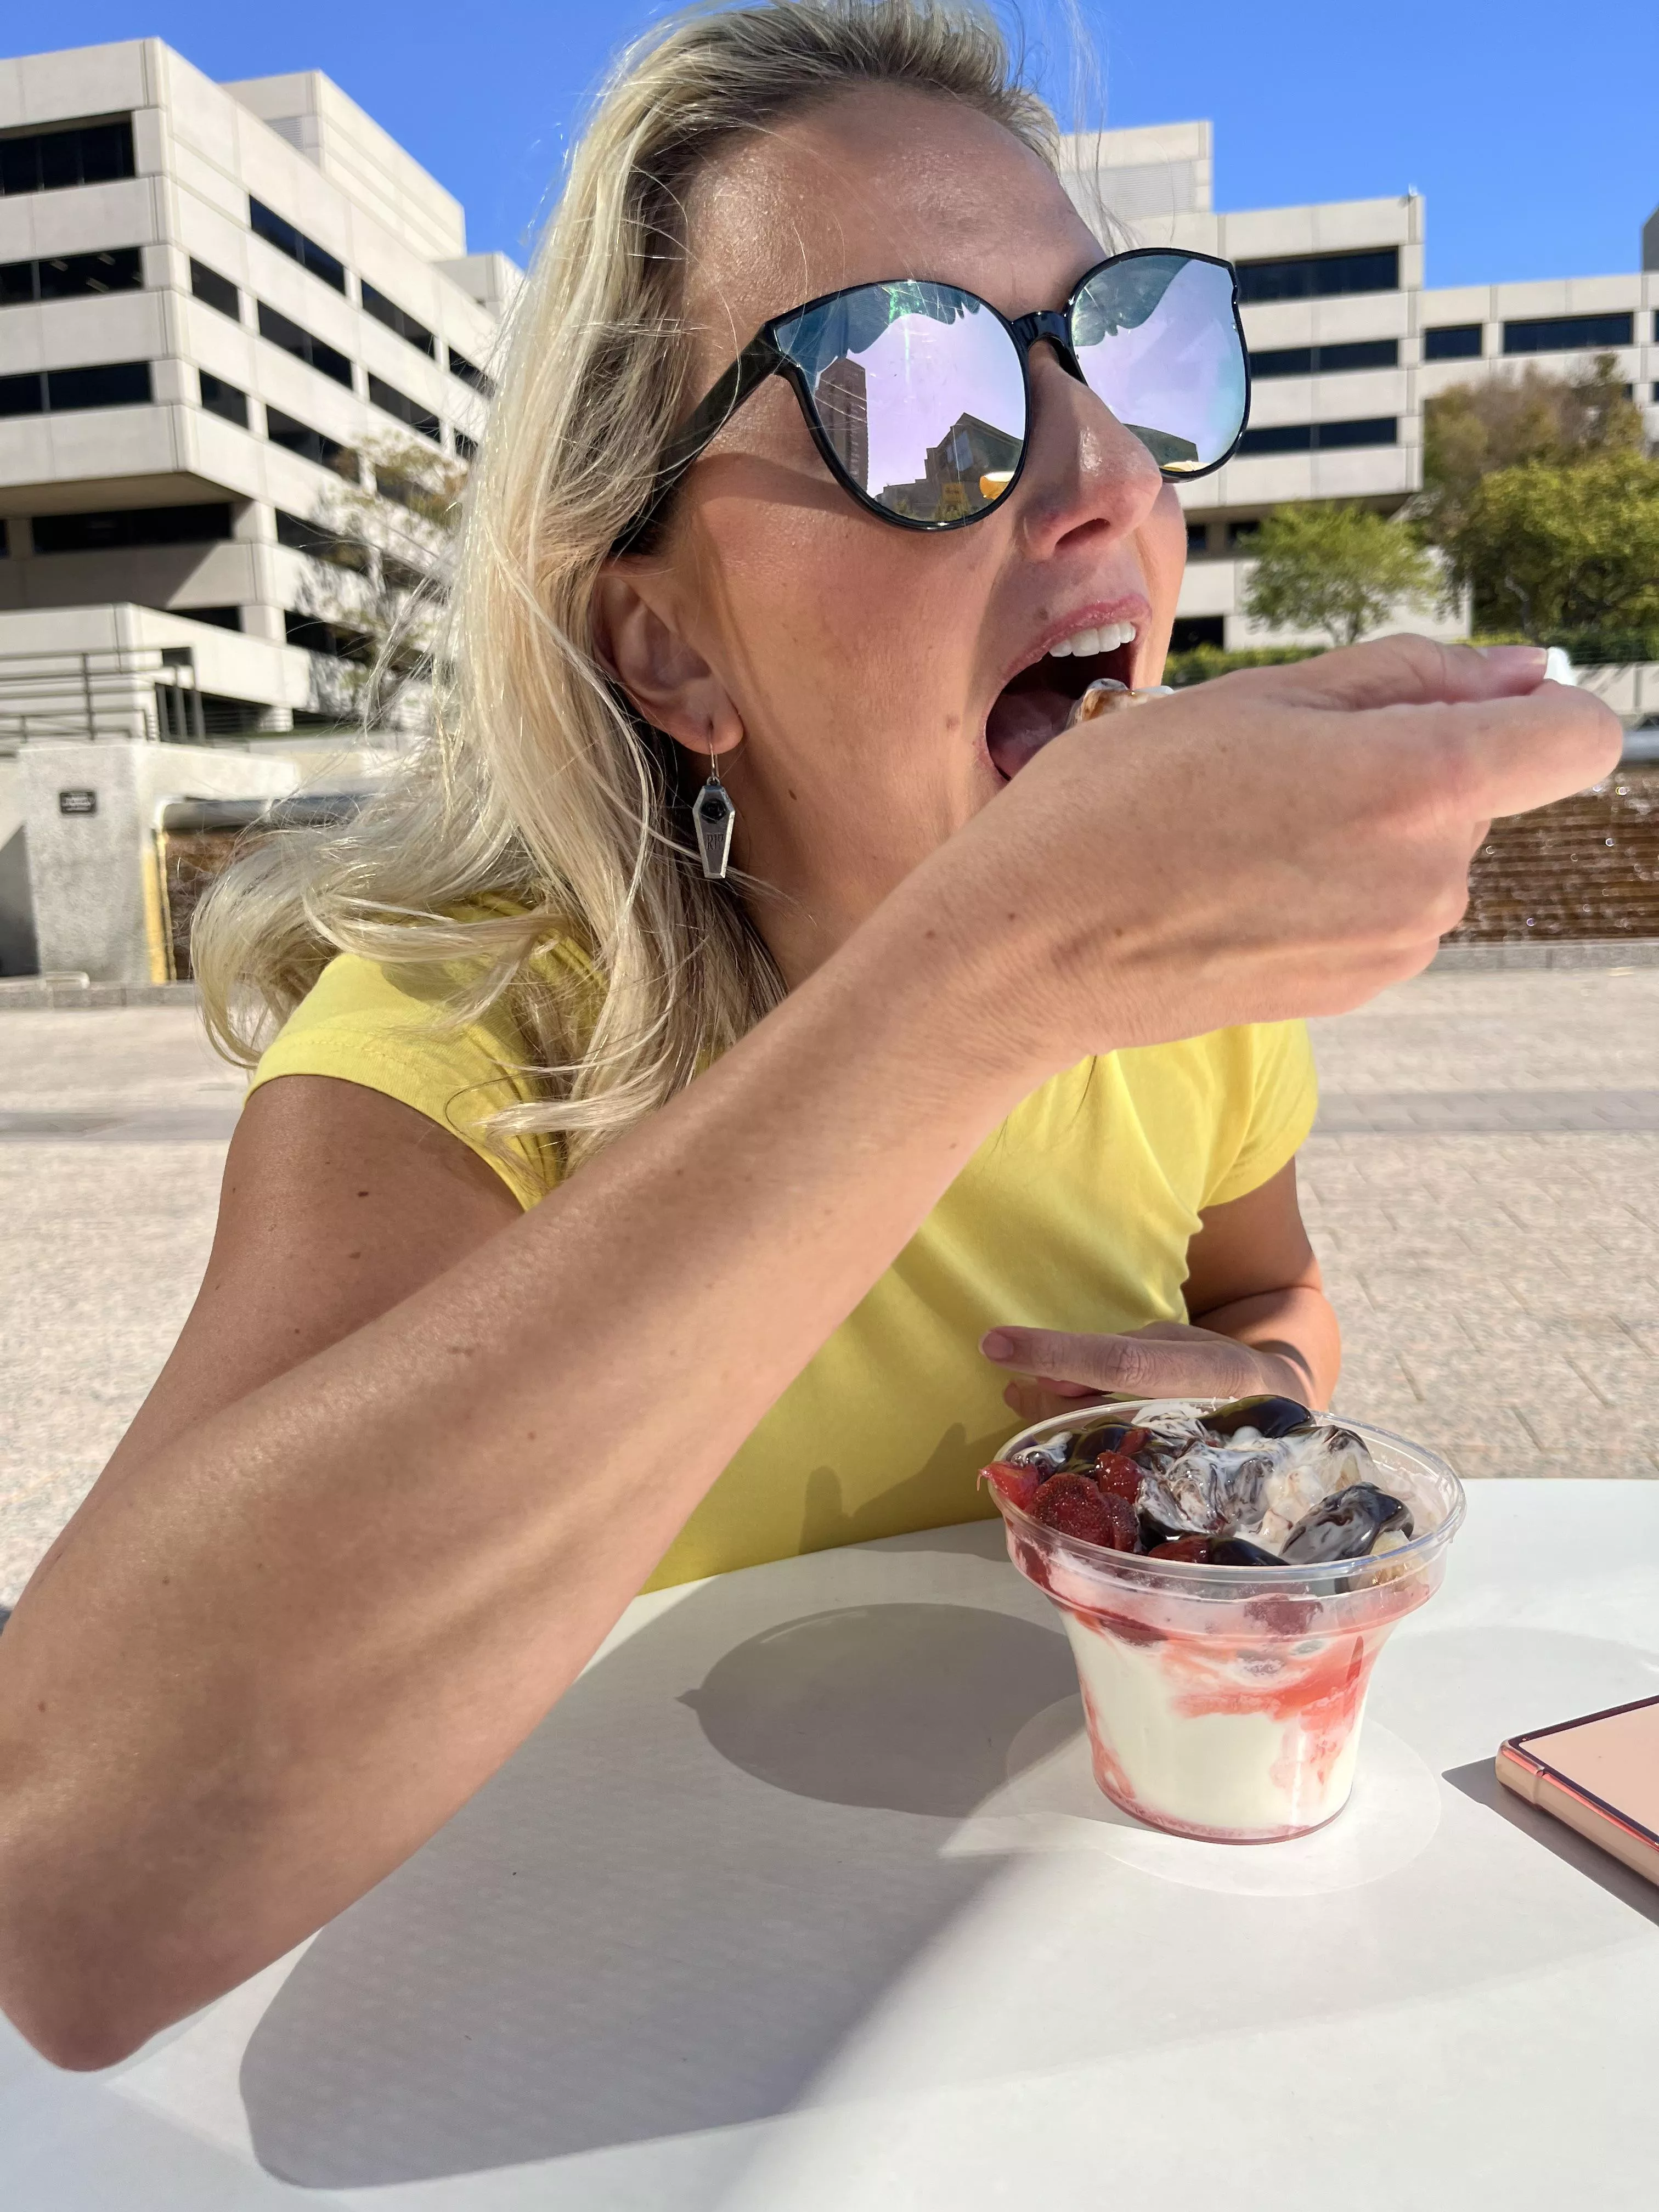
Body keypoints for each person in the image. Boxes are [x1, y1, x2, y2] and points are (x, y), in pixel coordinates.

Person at [0, 0, 1617, 2069]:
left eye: (1128, 355)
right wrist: (995, 967)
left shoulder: (1191, 1015)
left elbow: (1272, 1289)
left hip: (1081, 1982)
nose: (1106, 476)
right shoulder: (467, 1042)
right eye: (916, 389)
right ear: (672, 649)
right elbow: (72, 1892)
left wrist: (1253, 1399)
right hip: (612, 2015)